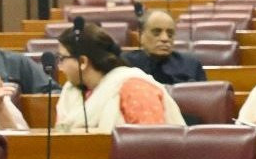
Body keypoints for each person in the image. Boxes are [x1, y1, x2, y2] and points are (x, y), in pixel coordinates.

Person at [53, 22, 185, 132]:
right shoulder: (73, 92)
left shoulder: (136, 89)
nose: (60, 66)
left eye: (62, 58)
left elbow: (153, 143)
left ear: (83, 62)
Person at [122, 10, 206, 85]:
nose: (165, 38)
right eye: (156, 33)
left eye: (170, 34)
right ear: (140, 36)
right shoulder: (125, 64)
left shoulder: (191, 64)